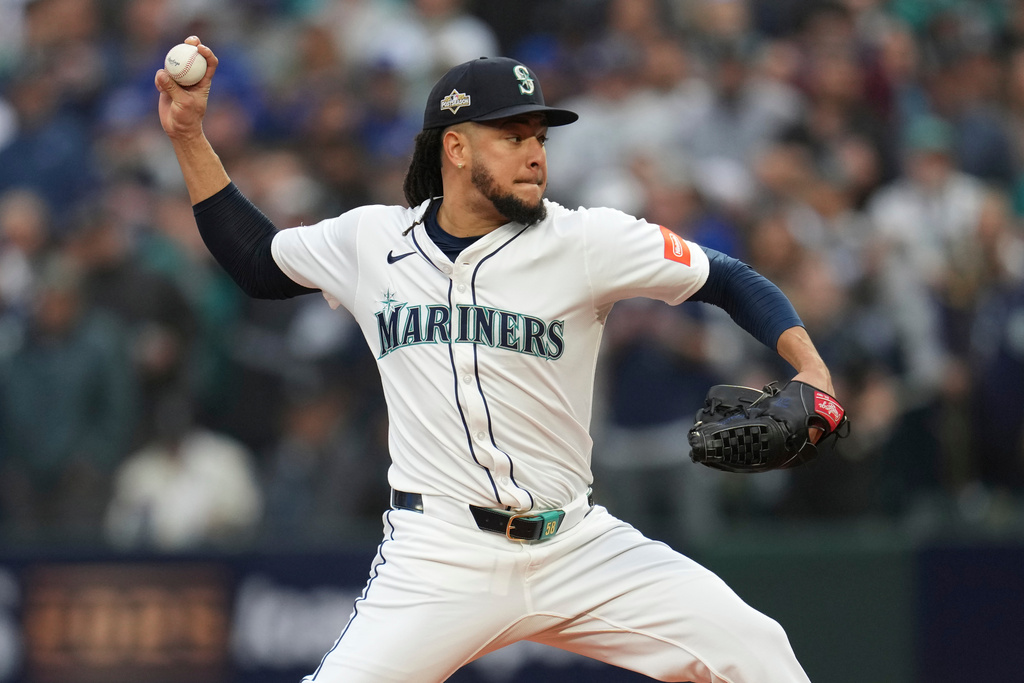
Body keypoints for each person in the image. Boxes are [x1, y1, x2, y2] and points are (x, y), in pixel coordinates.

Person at [156, 36, 837, 683]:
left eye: (539, 136)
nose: (535, 153)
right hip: (440, 554)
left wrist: (811, 368)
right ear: (455, 147)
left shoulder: (586, 239)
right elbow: (254, 259)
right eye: (512, 137)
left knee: (757, 649)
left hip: (576, 543)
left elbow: (729, 278)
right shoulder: (371, 241)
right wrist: (188, 135)